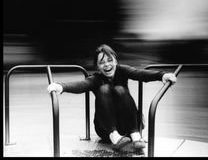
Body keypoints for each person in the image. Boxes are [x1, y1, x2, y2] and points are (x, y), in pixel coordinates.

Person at [47, 44, 177, 151]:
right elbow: (82, 85)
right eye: (102, 62)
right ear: (97, 66)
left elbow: (140, 74)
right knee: (103, 89)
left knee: (120, 89)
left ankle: (135, 135)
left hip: (129, 124)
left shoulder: (122, 70)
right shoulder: (96, 79)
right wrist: (61, 86)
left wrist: (162, 76)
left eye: (110, 60)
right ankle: (115, 136)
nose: (107, 65)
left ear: (115, 61)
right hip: (106, 131)